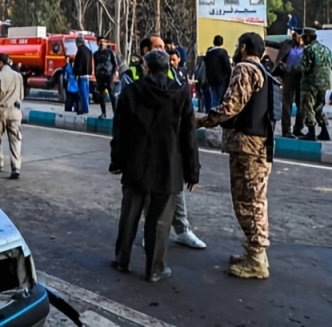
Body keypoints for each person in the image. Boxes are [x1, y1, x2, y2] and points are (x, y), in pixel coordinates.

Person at [110, 50, 200, 282]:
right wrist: (192, 172)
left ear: (146, 68)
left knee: (129, 215)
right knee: (160, 221)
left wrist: (116, 162)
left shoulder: (131, 92)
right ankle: (155, 269)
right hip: (168, 168)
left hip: (136, 164)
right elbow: (188, 137)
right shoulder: (180, 94)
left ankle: (122, 259)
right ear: (168, 68)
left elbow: (120, 133)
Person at [197, 32, 274, 279]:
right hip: (259, 145)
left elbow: (231, 107)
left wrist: (202, 121)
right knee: (255, 200)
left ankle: (256, 261)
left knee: (248, 202)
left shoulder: (244, 69)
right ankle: (255, 253)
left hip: (247, 147)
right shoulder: (262, 71)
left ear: (243, 47)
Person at [0, 53, 24, 179]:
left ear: (0, 63)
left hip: (1, 112)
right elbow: (21, 96)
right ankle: (16, 166)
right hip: (15, 112)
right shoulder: (18, 76)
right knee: (15, 140)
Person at [268, 31, 305, 138]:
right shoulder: (287, 43)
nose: (295, 37)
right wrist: (262, 40)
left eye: (297, 36)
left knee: (301, 104)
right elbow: (274, 44)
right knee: (287, 103)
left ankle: (298, 128)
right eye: (294, 35)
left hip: (302, 76)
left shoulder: (308, 47)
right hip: (288, 75)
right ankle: (286, 130)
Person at [299, 27, 332, 141]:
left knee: (308, 106)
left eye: (304, 37)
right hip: (325, 82)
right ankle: (324, 131)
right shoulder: (326, 49)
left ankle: (311, 132)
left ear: (308, 37)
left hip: (311, 82)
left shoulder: (309, 49)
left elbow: (305, 67)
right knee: (319, 107)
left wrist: (289, 68)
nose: (303, 40)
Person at [204, 35, 232, 109]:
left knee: (213, 99)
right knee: (221, 99)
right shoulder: (223, 53)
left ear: (213, 42)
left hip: (211, 80)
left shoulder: (208, 53)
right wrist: (228, 76)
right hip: (222, 80)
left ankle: (213, 112)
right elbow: (227, 66)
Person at [93, 38, 118, 118]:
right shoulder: (96, 54)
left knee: (112, 94)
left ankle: (115, 113)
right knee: (101, 95)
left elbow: (115, 64)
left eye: (103, 42)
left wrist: (113, 73)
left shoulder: (110, 52)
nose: (101, 43)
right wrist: (96, 74)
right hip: (100, 75)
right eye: (100, 42)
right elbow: (95, 65)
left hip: (109, 75)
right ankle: (103, 113)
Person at [73, 36, 92, 114]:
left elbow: (79, 64)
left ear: (78, 43)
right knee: (86, 92)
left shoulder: (80, 51)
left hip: (81, 75)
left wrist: (76, 73)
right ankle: (86, 107)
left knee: (82, 92)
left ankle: (84, 108)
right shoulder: (89, 51)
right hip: (87, 74)